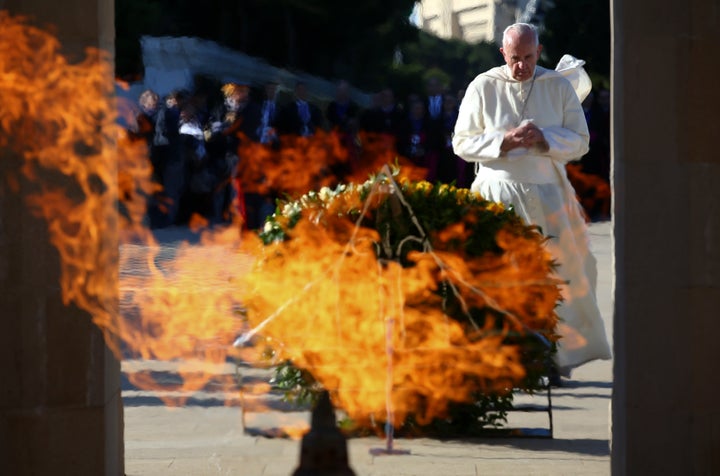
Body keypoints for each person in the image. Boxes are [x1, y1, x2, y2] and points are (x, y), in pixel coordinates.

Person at [452, 23, 611, 380]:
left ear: (538, 53)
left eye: (527, 58)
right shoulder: (483, 85)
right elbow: (461, 143)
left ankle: (548, 357)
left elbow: (580, 141)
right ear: (502, 55)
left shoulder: (557, 86)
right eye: (513, 59)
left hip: (548, 194)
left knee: (553, 277)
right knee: (500, 278)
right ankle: (501, 359)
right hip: (496, 193)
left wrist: (545, 138)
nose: (520, 66)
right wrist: (502, 142)